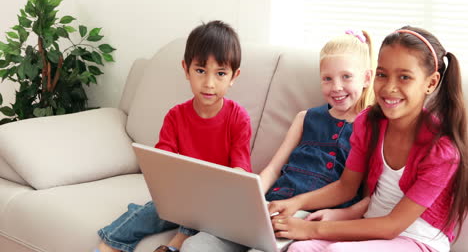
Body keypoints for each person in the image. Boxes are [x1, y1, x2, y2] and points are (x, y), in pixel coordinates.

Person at [269, 26, 468, 252]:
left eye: (404, 77)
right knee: (298, 249)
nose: (389, 87)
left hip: (418, 240)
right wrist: (295, 203)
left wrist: (310, 230)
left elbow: (391, 227)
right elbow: (346, 187)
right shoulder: (369, 124)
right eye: (382, 74)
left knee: (337, 251)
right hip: (371, 229)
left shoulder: (442, 150)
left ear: (431, 83)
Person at [180, 29, 375, 252]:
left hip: (308, 219)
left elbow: (369, 198)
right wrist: (248, 199)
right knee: (197, 244)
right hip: (273, 205)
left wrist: (340, 216)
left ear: (367, 78)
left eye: (346, 77)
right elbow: (273, 170)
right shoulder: (305, 118)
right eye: (327, 79)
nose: (336, 87)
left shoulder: (373, 128)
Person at [95, 20, 252, 252]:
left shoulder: (238, 117)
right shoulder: (176, 116)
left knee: (200, 209)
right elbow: (162, 162)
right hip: (181, 199)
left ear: (234, 76)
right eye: (200, 71)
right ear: (186, 69)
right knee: (143, 212)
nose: (209, 83)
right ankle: (106, 247)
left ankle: (176, 244)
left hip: (216, 204)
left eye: (220, 73)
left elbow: (241, 172)